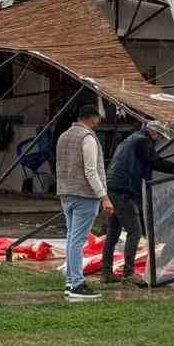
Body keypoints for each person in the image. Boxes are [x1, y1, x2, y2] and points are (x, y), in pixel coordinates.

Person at [104, 119, 174, 286]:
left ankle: (107, 272)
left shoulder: (131, 139)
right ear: (153, 132)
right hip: (124, 190)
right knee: (135, 231)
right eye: (159, 136)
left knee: (113, 232)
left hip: (113, 187)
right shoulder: (143, 141)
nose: (159, 139)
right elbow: (154, 161)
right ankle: (129, 272)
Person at [55, 105, 109, 301]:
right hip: (85, 195)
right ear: (92, 119)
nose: (98, 123)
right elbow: (91, 171)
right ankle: (77, 283)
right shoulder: (88, 138)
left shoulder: (64, 136)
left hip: (66, 192)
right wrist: (103, 196)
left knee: (71, 239)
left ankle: (70, 281)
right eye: (98, 119)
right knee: (77, 241)